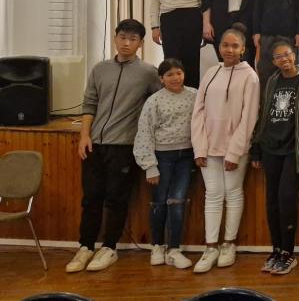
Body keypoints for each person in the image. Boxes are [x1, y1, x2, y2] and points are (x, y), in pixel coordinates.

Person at [66, 19, 161, 273]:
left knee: (116, 199)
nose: (126, 43)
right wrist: (85, 136)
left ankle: (109, 247)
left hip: (124, 146)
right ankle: (85, 246)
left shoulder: (149, 73)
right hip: (94, 144)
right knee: (91, 198)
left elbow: (158, 105)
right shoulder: (99, 69)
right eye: (122, 37)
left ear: (141, 44)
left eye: (132, 39)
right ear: (115, 38)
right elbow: (89, 105)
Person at [190, 23, 261, 273]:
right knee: (213, 194)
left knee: (232, 193)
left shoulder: (250, 76)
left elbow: (249, 118)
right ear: (219, 47)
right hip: (209, 147)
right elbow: (197, 111)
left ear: (243, 49)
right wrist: (199, 147)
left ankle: (228, 244)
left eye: (234, 46)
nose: (229, 50)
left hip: (234, 149)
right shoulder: (210, 72)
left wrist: (234, 152)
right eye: (225, 45)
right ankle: (211, 247)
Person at [250, 39, 299, 275]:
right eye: (279, 57)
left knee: (286, 198)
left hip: (295, 149)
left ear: (295, 55)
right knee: (271, 200)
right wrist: (256, 147)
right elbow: (264, 114)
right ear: (273, 62)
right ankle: (276, 249)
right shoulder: (272, 80)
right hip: (271, 147)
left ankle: (288, 253)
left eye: (287, 54)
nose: (284, 59)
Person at [132, 58, 197, 269]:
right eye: (169, 75)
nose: (175, 78)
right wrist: (150, 165)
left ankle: (174, 249)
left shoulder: (195, 96)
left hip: (186, 157)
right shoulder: (154, 101)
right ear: (161, 79)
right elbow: (145, 133)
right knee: (159, 202)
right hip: (162, 158)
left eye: (178, 73)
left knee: (177, 202)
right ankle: (157, 246)